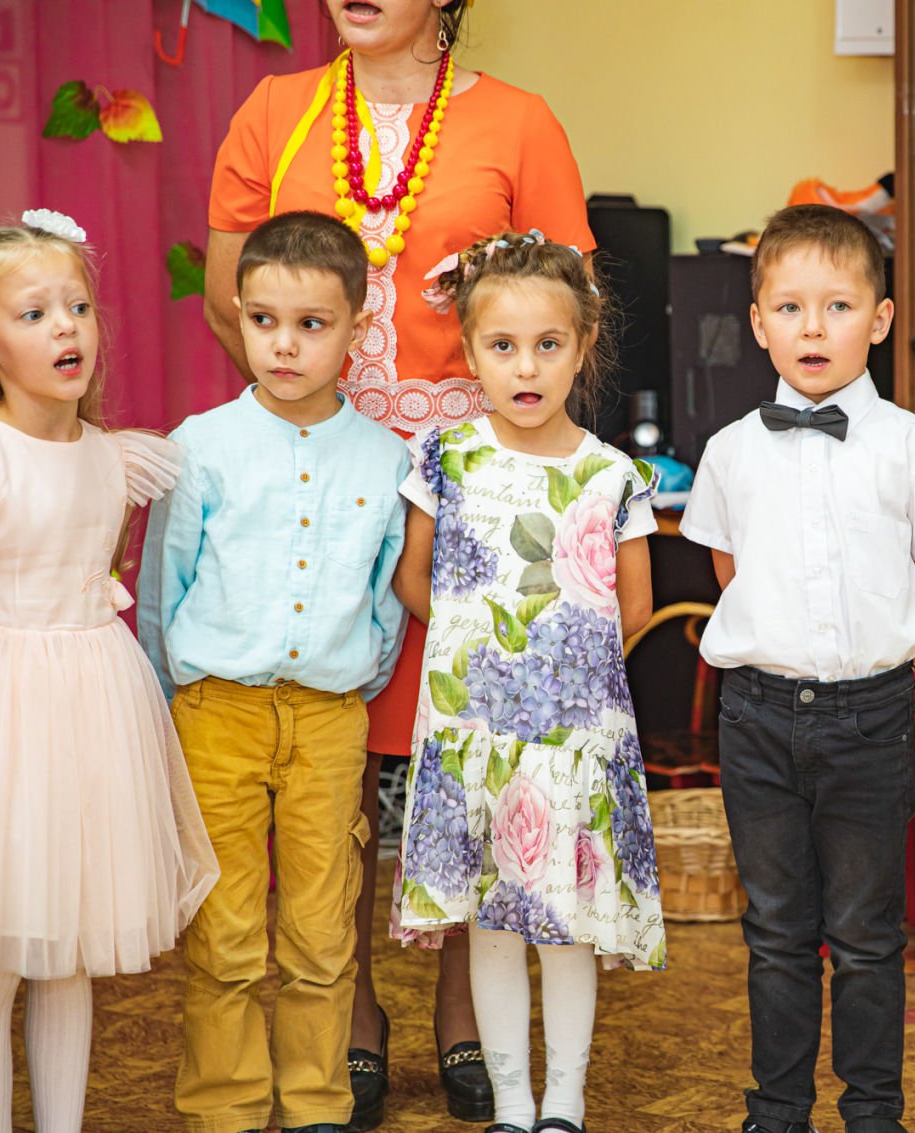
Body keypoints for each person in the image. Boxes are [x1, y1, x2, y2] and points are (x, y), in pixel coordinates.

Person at [206, 5, 595, 1118]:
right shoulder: (274, 110)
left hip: (475, 497)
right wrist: (318, 428)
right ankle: (353, 1010)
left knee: (467, 751)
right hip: (324, 490)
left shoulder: (521, 123)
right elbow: (231, 301)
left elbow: (562, 305)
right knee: (335, 759)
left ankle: (462, 1007)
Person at [679, 205, 915, 1133]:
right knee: (775, 931)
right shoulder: (731, 451)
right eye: (791, 307)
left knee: (864, 934)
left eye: (839, 306)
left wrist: (874, 662)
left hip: (869, 718)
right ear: (758, 321)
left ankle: (873, 1112)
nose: (813, 328)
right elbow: (730, 572)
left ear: (880, 320)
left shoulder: (914, 449)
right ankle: (777, 1111)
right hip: (756, 715)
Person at [139, 211, 409, 1133]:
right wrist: (170, 703)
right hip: (215, 712)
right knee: (223, 929)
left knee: (323, 928)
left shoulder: (385, 460)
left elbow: (385, 597)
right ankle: (224, 1105)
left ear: (356, 327)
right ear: (241, 315)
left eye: (311, 324)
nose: (284, 345)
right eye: (263, 321)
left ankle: (317, 1103)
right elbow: (163, 585)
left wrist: (353, 678)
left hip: (330, 719)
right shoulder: (202, 444)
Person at [390, 230, 665, 1133]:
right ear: (469, 351)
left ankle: (564, 1102)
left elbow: (632, 605)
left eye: (548, 344)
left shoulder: (612, 475)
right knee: (494, 924)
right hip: (475, 735)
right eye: (502, 345)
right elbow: (415, 579)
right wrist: (479, 653)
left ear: (584, 345)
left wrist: (559, 675)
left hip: (571, 741)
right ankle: (512, 1102)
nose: (526, 366)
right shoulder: (445, 457)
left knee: (568, 924)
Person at [0, 210, 218, 1133]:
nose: (66, 327)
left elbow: (94, 575)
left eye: (78, 306)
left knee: (68, 950)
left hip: (91, 704)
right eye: (33, 314)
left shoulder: (115, 460)